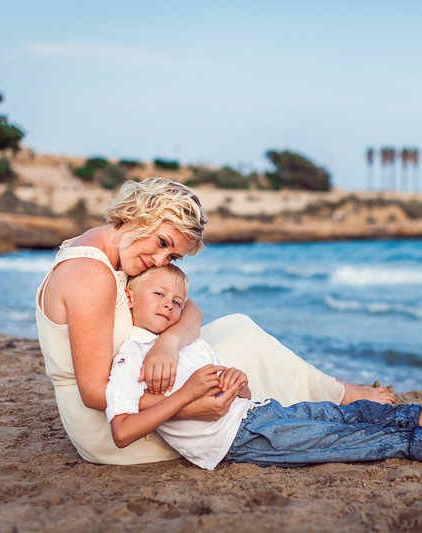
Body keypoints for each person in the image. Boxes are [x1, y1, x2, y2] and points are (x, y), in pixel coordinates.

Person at [35, 177, 394, 465]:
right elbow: (96, 392)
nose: (160, 260)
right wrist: (189, 405)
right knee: (246, 353)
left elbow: (190, 309)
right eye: (162, 242)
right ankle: (342, 396)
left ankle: (337, 394)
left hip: (143, 380)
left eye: (172, 255)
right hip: (111, 427)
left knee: (238, 326)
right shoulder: (90, 275)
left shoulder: (116, 252)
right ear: (140, 213)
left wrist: (168, 344)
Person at [106, 264, 422, 470]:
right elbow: (123, 430)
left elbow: (235, 391)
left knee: (363, 415)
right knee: (363, 441)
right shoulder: (130, 359)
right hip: (240, 441)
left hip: (260, 414)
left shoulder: (188, 342)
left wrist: (235, 382)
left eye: (177, 300)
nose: (170, 305)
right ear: (129, 298)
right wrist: (185, 396)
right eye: (158, 295)